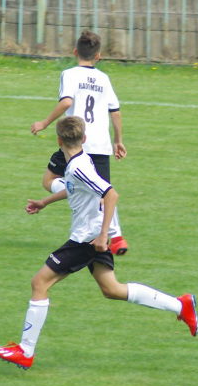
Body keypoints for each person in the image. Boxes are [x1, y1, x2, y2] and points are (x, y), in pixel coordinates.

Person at [0, 116, 198, 371]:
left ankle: (26, 350)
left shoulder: (79, 167)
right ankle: (181, 305)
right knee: (112, 289)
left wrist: (101, 236)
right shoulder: (80, 161)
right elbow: (75, 188)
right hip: (92, 236)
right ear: (85, 139)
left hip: (86, 239)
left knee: (39, 283)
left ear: (58, 140)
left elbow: (111, 195)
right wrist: (45, 202)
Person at [31, 30, 129, 254]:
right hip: (101, 144)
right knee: (103, 191)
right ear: (98, 56)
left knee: (49, 180)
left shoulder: (69, 74)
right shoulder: (104, 79)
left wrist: (44, 122)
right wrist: (118, 141)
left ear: (75, 51)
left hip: (75, 140)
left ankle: (80, 193)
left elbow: (66, 102)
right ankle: (117, 238)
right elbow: (115, 112)